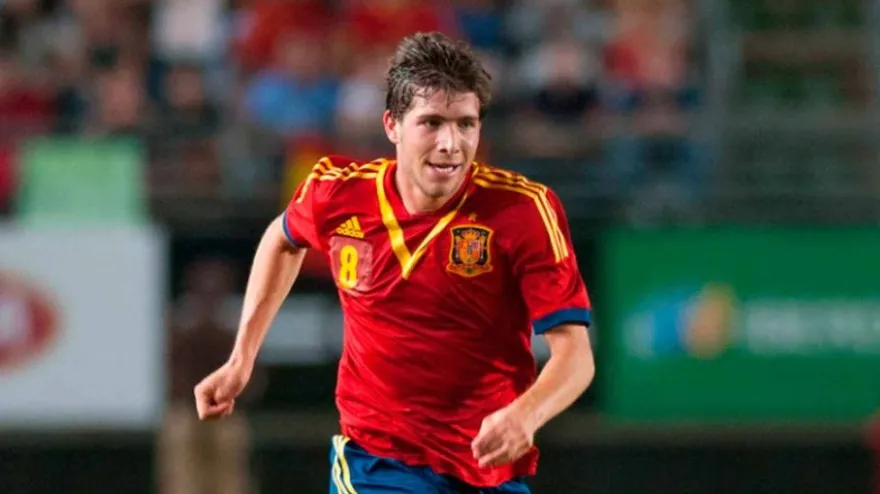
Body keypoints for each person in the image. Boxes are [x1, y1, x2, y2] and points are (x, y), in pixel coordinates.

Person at [194, 32, 595, 493]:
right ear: (392, 125)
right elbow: (282, 240)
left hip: (487, 470)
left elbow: (576, 356)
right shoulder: (336, 193)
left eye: (466, 124)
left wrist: (526, 414)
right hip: (377, 463)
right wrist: (241, 359)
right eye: (432, 123)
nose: (451, 143)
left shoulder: (524, 211)